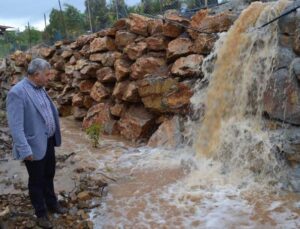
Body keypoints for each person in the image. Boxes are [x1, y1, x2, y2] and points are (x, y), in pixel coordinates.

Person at [6, 58, 66, 228]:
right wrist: (25, 150)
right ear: (36, 74)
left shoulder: (40, 88)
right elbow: (16, 126)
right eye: (47, 74)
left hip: (48, 141)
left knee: (49, 175)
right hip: (32, 146)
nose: (50, 77)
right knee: (36, 180)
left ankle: (52, 205)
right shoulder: (17, 93)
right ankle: (40, 213)